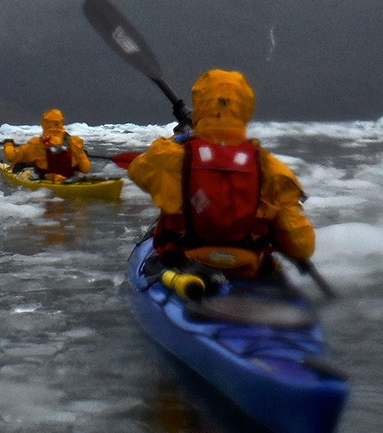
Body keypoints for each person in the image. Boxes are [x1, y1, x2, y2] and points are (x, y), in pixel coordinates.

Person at [127, 69, 314, 279]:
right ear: (246, 108)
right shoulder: (271, 169)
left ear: (201, 104)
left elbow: (137, 169)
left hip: (184, 263)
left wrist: (183, 139)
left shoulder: (169, 155)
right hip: (247, 270)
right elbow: (301, 246)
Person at [2, 108, 91, 182]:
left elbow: (12, 157)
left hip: (46, 180)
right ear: (61, 123)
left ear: (44, 123)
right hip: (70, 179)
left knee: (26, 162)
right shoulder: (75, 141)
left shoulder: (37, 143)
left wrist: (8, 145)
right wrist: (81, 154)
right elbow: (86, 168)